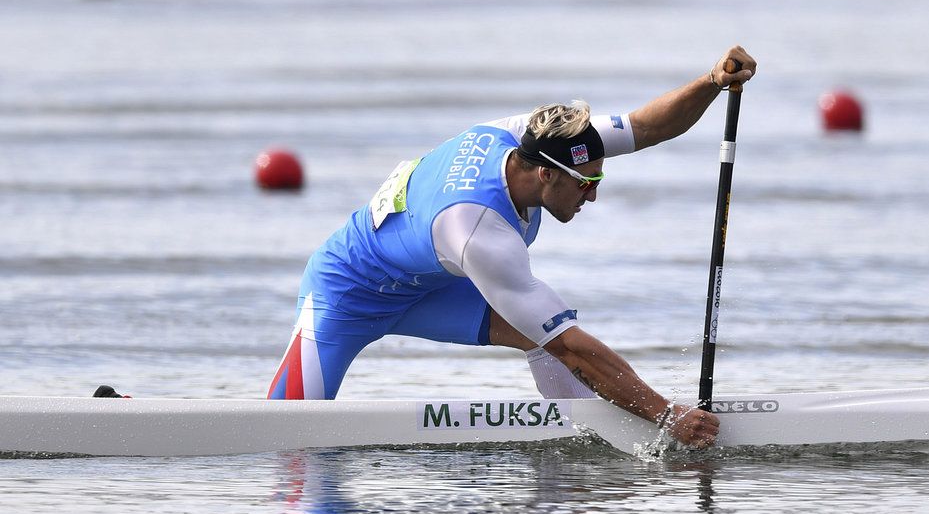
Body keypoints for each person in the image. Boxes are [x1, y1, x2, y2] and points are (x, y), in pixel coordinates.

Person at [268, 45, 757, 448]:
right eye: (585, 184)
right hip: (345, 293)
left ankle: (588, 439)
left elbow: (646, 126)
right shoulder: (479, 231)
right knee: (280, 439)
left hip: (428, 287)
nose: (595, 193)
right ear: (545, 173)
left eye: (598, 177)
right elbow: (570, 347)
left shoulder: (538, 136)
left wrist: (710, 82)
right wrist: (666, 413)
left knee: (541, 330)